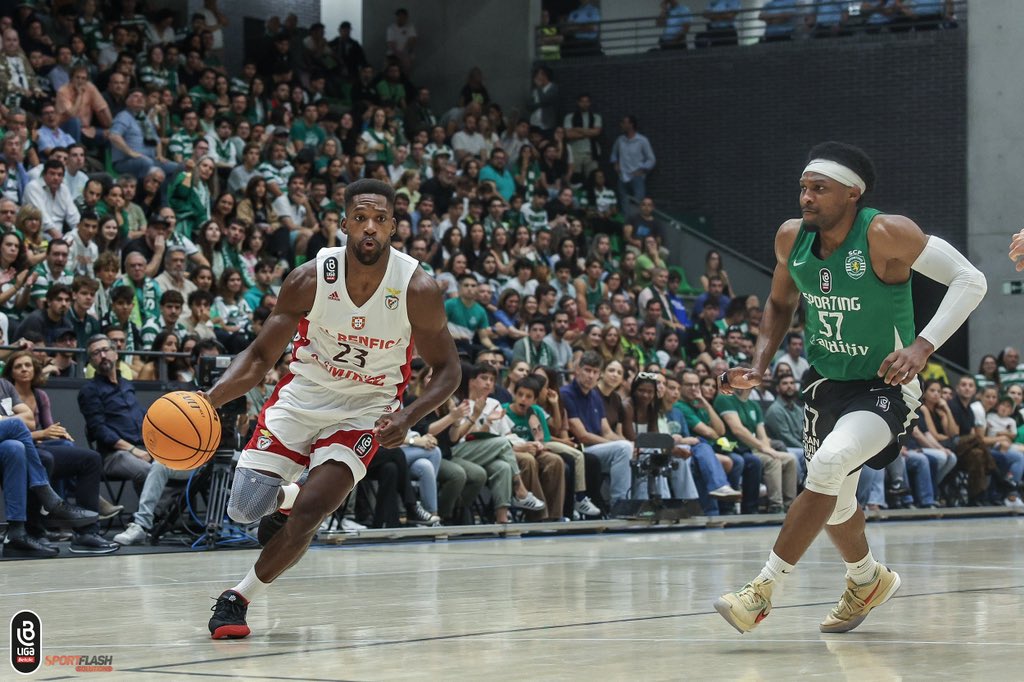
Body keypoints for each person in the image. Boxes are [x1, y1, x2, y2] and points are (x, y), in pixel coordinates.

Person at [714, 142, 986, 635]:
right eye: (803, 188)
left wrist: (922, 348)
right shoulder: (790, 239)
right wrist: (758, 364)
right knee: (835, 501)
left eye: (819, 189)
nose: (806, 198)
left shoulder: (885, 232)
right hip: (825, 384)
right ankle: (866, 579)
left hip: (883, 385)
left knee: (828, 464)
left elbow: (971, 280)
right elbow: (779, 304)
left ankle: (761, 591)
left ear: (852, 194)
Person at [201, 179, 462, 639]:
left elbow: (447, 371)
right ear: (343, 223)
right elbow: (261, 356)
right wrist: (209, 400)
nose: (369, 228)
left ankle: (238, 598)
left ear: (393, 227)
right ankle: (281, 500)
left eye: (380, 219)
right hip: (302, 396)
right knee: (243, 510)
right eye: (360, 218)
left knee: (315, 509)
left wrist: (407, 416)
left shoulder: (417, 288)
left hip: (366, 408)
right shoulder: (308, 279)